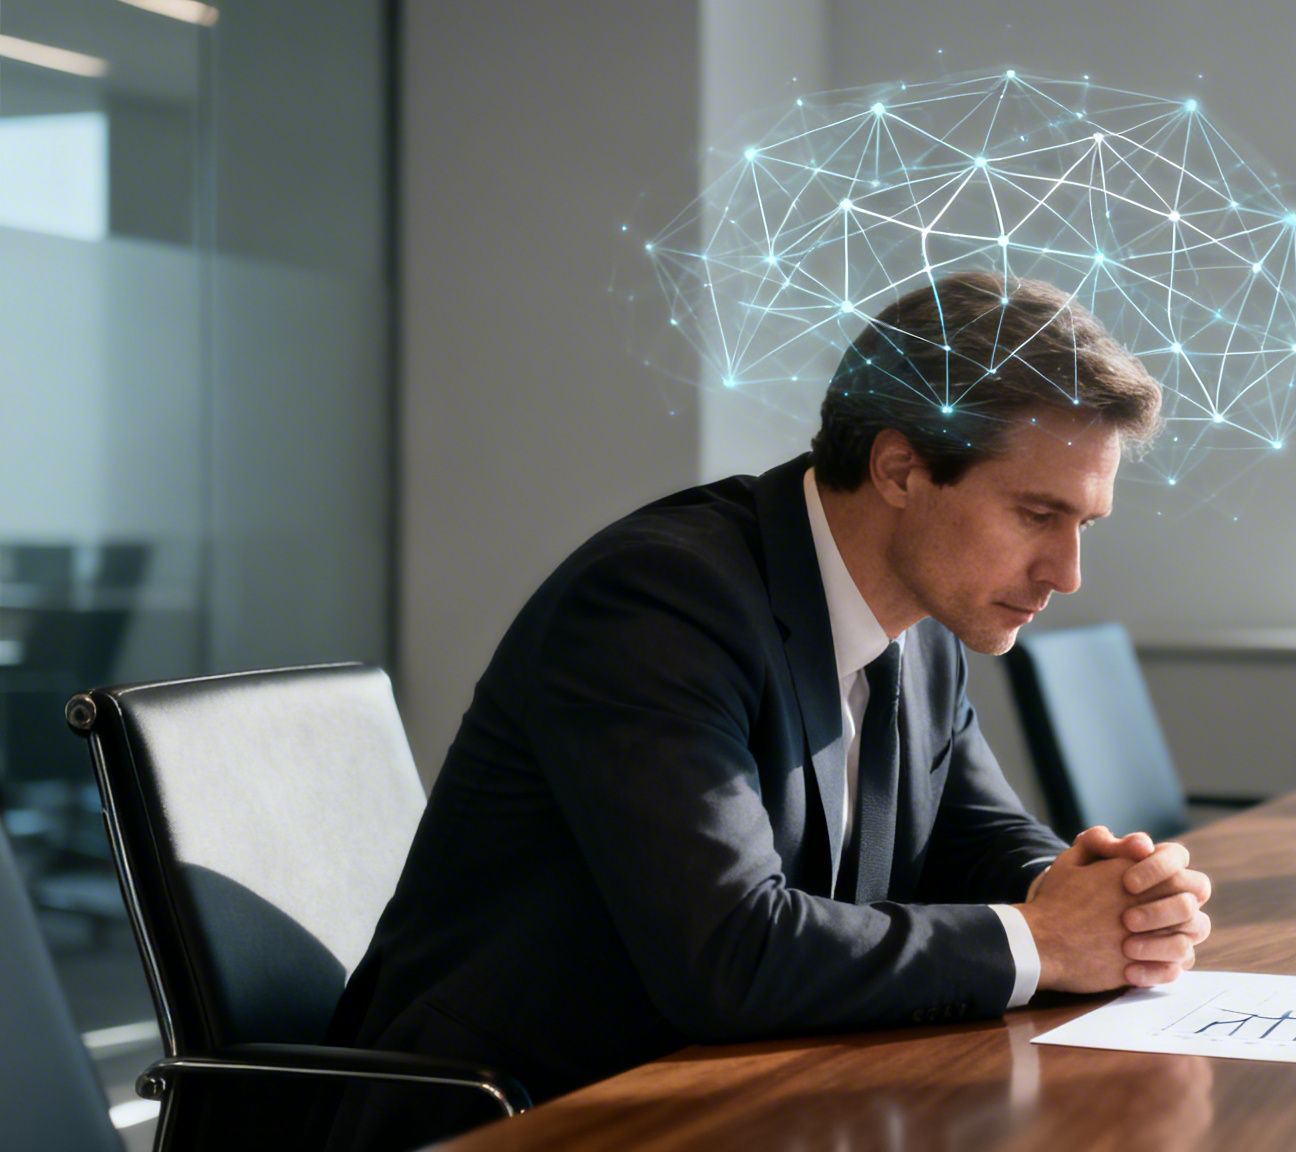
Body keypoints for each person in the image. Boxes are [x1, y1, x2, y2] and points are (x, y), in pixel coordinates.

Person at [320, 271, 1214, 1150]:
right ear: (900, 468)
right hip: (521, 1113)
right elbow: (734, 954)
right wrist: (1046, 942)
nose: (1067, 572)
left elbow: (972, 834)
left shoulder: (932, 613)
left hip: (734, 1093)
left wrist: (1096, 895)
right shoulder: (658, 603)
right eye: (1035, 515)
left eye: (1083, 526)